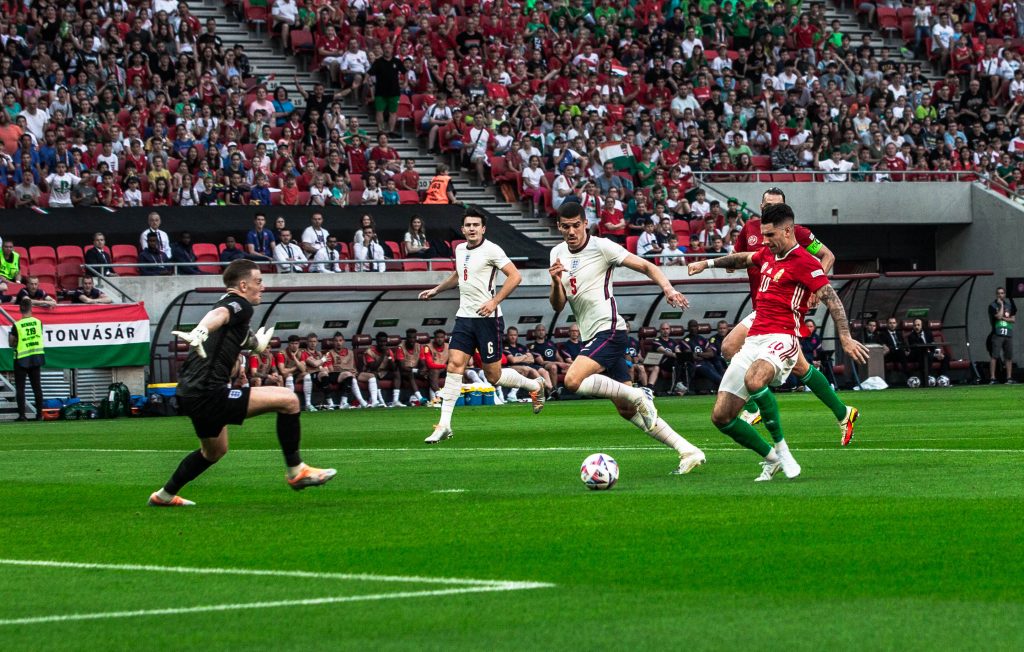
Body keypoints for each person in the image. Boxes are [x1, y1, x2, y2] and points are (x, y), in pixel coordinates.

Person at [687, 203, 869, 481]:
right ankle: (772, 459)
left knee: (754, 379)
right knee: (721, 417)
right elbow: (743, 259)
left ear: (787, 231)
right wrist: (707, 263)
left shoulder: (805, 262)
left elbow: (832, 299)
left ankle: (783, 449)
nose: (765, 241)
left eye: (770, 235)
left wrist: (845, 337)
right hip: (755, 338)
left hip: (783, 337)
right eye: (763, 235)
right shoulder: (768, 254)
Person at [149, 260, 336, 507]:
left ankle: (163, 496)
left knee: (214, 452)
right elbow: (219, 315)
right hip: (208, 394)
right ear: (243, 285)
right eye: (259, 282)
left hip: (189, 393)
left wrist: (255, 344)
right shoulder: (239, 305)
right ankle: (296, 471)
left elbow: (237, 333)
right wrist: (201, 330)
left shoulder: (231, 308)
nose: (263, 287)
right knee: (289, 400)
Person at [549, 202, 705, 474]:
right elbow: (557, 305)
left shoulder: (602, 247)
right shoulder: (556, 253)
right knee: (626, 410)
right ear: (558, 227)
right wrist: (554, 281)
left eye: (576, 225)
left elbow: (645, 265)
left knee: (573, 380)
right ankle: (688, 450)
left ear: (585, 224)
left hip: (610, 330)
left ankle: (639, 394)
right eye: (566, 227)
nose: (571, 231)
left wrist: (668, 289)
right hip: (591, 335)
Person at [723, 187, 859, 446]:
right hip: (763, 310)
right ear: (760, 206)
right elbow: (737, 258)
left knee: (730, 346)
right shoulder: (750, 230)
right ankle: (843, 412)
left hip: (785, 312)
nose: (771, 209)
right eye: (768, 205)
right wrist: (728, 263)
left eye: (776, 205)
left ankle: (753, 409)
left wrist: (815, 287)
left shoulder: (799, 234)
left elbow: (827, 256)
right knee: (801, 367)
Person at [418, 207, 547, 443]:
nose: (472, 229)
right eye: (468, 225)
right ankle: (444, 425)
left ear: (483, 229)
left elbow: (515, 276)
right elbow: (459, 275)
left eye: (476, 225)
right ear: (462, 229)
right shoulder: (459, 249)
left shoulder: (492, 250)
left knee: (493, 376)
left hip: (489, 320)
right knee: (454, 365)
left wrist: (494, 301)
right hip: (464, 318)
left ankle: (534, 385)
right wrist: (436, 290)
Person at [9, 298, 44, 421]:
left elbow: (11, 343)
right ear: (31, 308)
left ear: (20, 309)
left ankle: (22, 415)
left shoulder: (17, 325)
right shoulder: (38, 322)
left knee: (20, 388)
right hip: (36, 357)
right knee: (37, 387)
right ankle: (39, 415)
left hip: (21, 359)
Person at [367, 42, 405, 135]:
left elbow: (405, 71)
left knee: (393, 112)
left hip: (394, 91)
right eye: (385, 48)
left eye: (389, 48)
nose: (387, 50)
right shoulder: (378, 61)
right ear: (383, 50)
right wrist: (368, 82)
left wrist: (406, 82)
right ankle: (380, 130)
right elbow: (369, 73)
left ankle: (391, 131)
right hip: (380, 91)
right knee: (379, 111)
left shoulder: (397, 61)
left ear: (392, 50)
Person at [988, 286, 1016, 383]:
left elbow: (1013, 320)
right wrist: (1001, 306)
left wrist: (1004, 318)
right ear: (996, 295)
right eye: (998, 293)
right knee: (995, 356)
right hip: (997, 334)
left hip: (1008, 334)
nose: (1000, 295)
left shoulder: (1010, 305)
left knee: (1008, 356)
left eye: (1002, 293)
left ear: (1005, 294)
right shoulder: (992, 305)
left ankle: (1009, 378)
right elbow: (998, 316)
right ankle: (992, 378)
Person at [877, 316, 910, 382]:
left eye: (894, 323)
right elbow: (884, 346)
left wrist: (907, 350)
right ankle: (907, 376)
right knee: (901, 352)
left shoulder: (899, 334)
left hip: (900, 354)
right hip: (890, 354)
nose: (892, 325)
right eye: (890, 323)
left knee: (904, 353)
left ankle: (909, 377)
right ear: (887, 324)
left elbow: (904, 344)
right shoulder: (883, 334)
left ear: (896, 324)